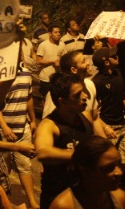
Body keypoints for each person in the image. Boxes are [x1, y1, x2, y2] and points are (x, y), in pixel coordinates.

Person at [35, 73, 93, 208]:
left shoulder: (86, 115)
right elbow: (43, 153)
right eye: (77, 95)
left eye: (83, 91)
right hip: (57, 196)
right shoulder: (49, 125)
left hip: (84, 193)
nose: (85, 96)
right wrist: (81, 155)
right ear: (62, 101)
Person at [92, 46, 125, 195]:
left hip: (123, 124)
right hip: (107, 125)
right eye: (114, 56)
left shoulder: (118, 75)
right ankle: (106, 188)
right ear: (106, 62)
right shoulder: (97, 82)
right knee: (107, 161)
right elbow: (93, 110)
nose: (117, 57)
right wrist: (104, 127)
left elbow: (124, 97)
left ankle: (121, 180)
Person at [0, 62, 40, 208]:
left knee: (25, 165)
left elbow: (29, 97)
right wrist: (4, 126)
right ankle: (5, 202)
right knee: (2, 170)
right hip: (3, 130)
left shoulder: (26, 73)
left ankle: (32, 202)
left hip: (22, 126)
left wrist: (32, 120)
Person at [50, 136, 125, 209]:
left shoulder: (119, 198)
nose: (119, 172)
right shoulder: (64, 206)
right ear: (86, 171)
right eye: (109, 168)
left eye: (118, 164)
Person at [36, 23, 66, 97]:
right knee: (45, 98)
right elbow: (39, 60)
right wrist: (52, 61)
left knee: (57, 97)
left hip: (58, 77)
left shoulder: (62, 44)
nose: (58, 34)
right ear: (49, 34)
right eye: (55, 32)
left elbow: (65, 58)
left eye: (59, 32)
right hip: (46, 77)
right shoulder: (43, 45)